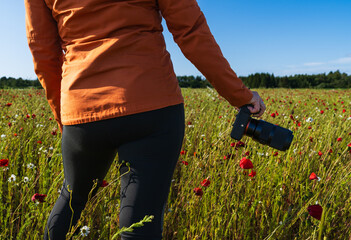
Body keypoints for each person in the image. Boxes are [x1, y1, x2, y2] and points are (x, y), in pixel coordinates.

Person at [24, 0, 266, 239]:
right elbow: (191, 30)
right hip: (153, 104)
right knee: (140, 225)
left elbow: (42, 50)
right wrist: (239, 94)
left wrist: (65, 116)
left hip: (81, 108)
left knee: (73, 200)